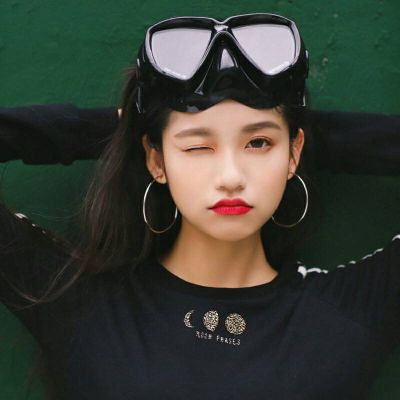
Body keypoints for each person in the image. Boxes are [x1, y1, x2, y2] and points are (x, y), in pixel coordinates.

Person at [0, 12, 399, 400]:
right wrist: (124, 131)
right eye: (197, 146)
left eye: (259, 143)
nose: (231, 176)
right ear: (156, 159)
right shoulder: (80, 304)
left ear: (293, 153)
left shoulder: (351, 308)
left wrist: (305, 133)